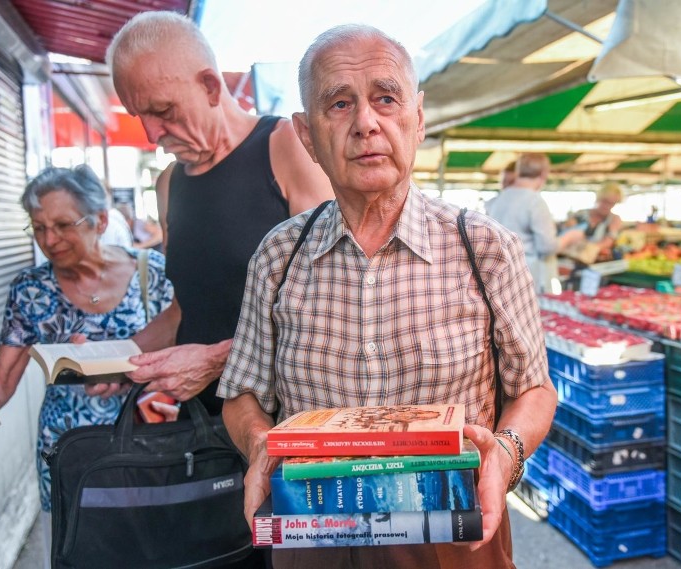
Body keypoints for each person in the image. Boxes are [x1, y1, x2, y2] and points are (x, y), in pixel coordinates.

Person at [219, 24, 557, 569]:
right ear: (306, 135)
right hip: (315, 529)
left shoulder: (486, 248)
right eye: (339, 103)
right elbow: (241, 392)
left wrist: (506, 453)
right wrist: (259, 441)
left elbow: (535, 390)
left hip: (456, 531)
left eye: (385, 98)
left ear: (417, 118)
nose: (366, 123)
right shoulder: (278, 256)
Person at [0, 165, 178, 566]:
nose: (49, 239)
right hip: (66, 453)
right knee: (73, 552)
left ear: (99, 220)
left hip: (148, 445)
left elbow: (185, 350)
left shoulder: (154, 275)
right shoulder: (30, 290)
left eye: (63, 224)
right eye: (38, 227)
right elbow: (0, 381)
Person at [105, 11, 333, 417]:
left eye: (163, 111)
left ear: (211, 86)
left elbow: (331, 306)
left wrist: (214, 362)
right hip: (204, 431)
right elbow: (183, 311)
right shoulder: (169, 183)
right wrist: (116, 359)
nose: (151, 135)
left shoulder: (285, 148)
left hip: (286, 426)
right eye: (140, 116)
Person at [485, 153, 582, 293]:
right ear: (543, 174)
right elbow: (547, 247)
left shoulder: (497, 201)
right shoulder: (535, 202)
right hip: (530, 276)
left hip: (502, 274)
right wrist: (570, 237)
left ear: (518, 171)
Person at [567, 182, 624, 263]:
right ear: (598, 198)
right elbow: (568, 236)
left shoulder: (614, 219)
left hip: (597, 262)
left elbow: (608, 242)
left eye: (612, 203)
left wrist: (588, 250)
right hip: (572, 259)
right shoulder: (580, 214)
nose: (607, 206)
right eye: (605, 201)